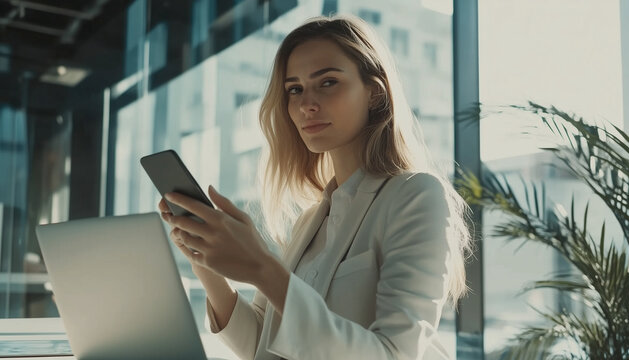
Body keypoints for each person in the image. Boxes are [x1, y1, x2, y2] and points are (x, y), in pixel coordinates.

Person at [159, 15, 471, 360]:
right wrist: (203, 260)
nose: (307, 103)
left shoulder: (417, 196)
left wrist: (260, 267)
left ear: (374, 92)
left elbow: (392, 354)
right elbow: (261, 345)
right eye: (295, 89)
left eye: (327, 82)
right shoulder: (311, 220)